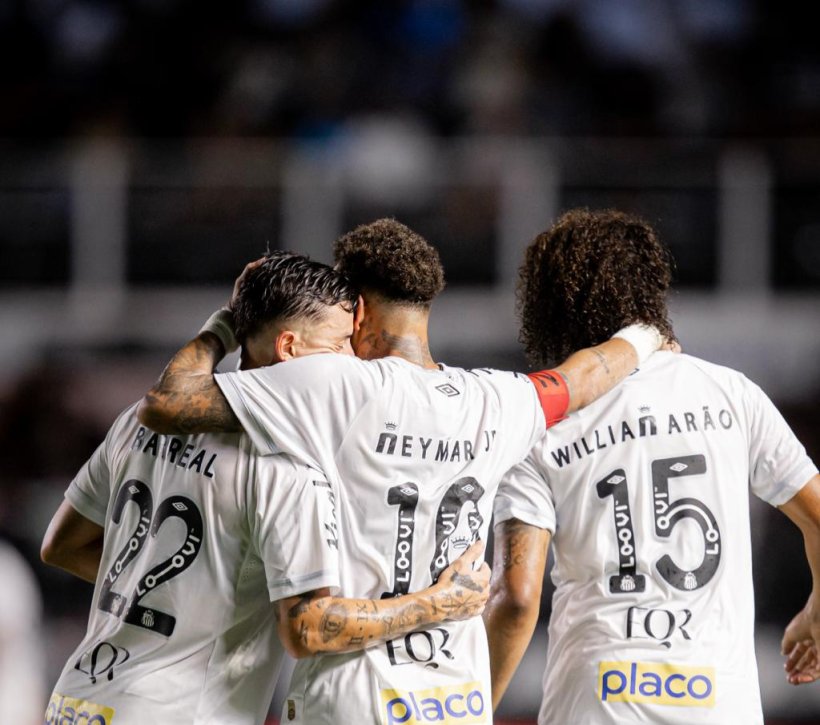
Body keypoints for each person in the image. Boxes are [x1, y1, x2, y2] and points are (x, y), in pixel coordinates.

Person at [136, 218, 667, 724]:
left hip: (353, 701)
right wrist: (646, 335)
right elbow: (583, 376)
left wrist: (228, 321)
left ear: (359, 311)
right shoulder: (501, 400)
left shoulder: (332, 384)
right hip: (456, 703)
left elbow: (166, 403)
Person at [41, 251, 490, 725]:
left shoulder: (136, 423)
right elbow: (309, 630)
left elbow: (62, 546)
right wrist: (436, 603)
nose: (354, 359)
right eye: (340, 343)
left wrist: (173, 600)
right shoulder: (284, 464)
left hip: (77, 702)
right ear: (289, 348)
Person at [484, 208, 820, 724]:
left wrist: (474, 708)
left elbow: (517, 597)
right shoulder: (731, 394)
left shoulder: (541, 428)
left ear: (547, 307)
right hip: (718, 705)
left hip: (598, 703)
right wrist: (816, 612)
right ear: (649, 293)